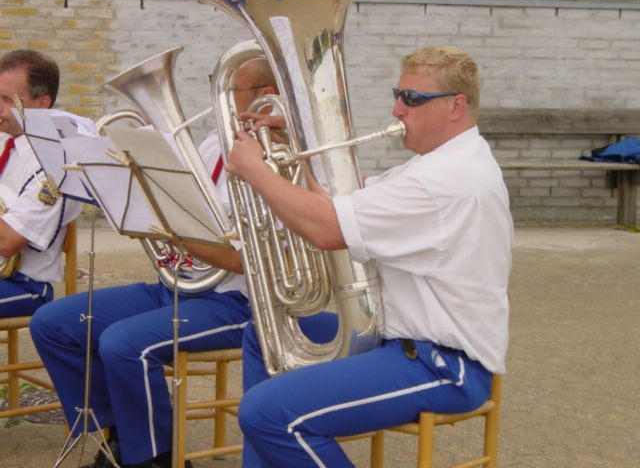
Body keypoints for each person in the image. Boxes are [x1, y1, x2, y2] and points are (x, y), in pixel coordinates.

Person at [226, 45, 513, 468]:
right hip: (400, 340)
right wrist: (294, 145)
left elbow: (327, 228)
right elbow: (339, 200)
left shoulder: (444, 179)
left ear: (456, 107)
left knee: (269, 413)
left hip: (441, 364)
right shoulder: (438, 164)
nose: (397, 109)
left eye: (413, 99)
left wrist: (256, 170)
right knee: (265, 334)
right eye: (398, 94)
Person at [30, 58, 278, 468]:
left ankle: (154, 458)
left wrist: (176, 230)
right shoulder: (216, 143)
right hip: (179, 286)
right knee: (54, 324)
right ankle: (123, 438)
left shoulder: (280, 157)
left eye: (229, 90)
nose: (218, 98)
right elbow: (183, 205)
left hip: (239, 303)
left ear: (266, 97)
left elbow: (241, 259)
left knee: (124, 344)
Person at [0, 49, 84, 318]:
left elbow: (8, 241)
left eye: (7, 99)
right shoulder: (4, 141)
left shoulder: (55, 162)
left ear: (42, 103)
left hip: (23, 285)